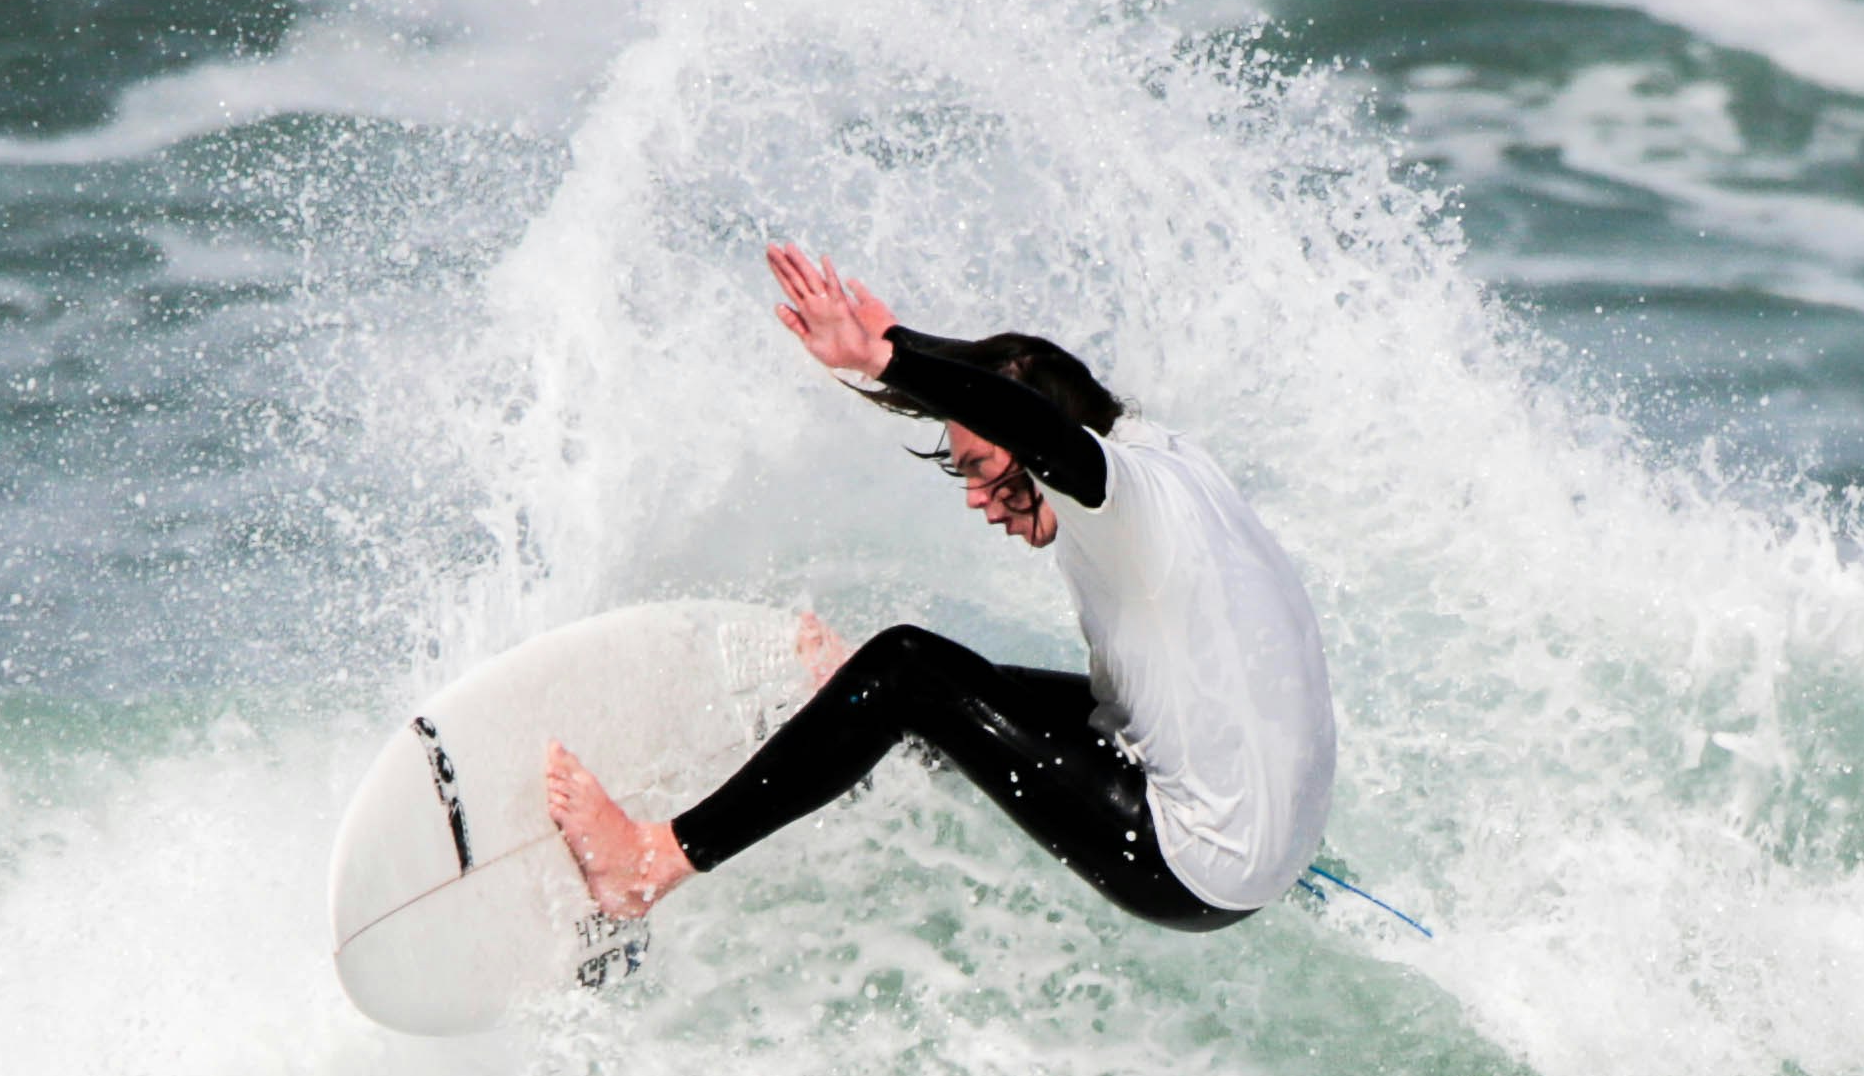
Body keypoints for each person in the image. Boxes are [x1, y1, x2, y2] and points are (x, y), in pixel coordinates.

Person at [543, 245, 1335, 937]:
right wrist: (900, 342)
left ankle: (650, 866)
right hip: (1274, 834)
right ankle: (861, 718)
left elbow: (1030, 418)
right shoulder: (1168, 456)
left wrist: (886, 361)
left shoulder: (1117, 492)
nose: (975, 498)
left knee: (908, 671)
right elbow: (1025, 381)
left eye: (985, 470)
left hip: (1191, 867)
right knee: (989, 694)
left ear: (1035, 447)